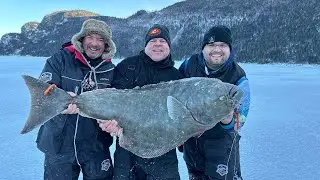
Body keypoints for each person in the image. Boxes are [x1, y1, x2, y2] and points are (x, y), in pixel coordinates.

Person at [99, 24, 183, 180]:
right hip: (127, 152)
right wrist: (110, 122)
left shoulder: (177, 77)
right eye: (152, 41)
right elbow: (113, 100)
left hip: (164, 154)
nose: (157, 44)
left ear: (169, 46)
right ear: (146, 45)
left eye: (162, 41)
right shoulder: (127, 66)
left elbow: (181, 115)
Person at [36, 19, 116, 180]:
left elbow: (116, 104)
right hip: (59, 144)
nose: (94, 43)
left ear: (107, 45)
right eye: (90, 37)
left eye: (101, 39)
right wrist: (58, 99)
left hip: (96, 146)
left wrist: (113, 121)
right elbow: (43, 89)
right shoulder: (60, 59)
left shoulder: (110, 69)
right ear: (82, 39)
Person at [178, 25, 250, 180]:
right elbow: (173, 93)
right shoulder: (188, 65)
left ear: (230, 49)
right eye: (211, 45)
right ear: (203, 48)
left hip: (222, 144)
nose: (217, 49)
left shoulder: (238, 77)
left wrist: (228, 121)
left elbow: (240, 119)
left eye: (222, 45)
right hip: (192, 143)